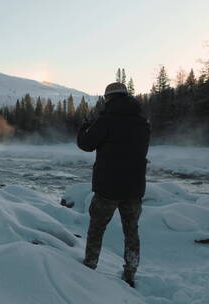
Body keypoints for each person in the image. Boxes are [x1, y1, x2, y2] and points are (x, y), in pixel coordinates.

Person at [77, 82, 150, 288]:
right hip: (134, 189)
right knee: (131, 231)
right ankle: (130, 272)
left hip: (107, 188)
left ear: (109, 99)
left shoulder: (106, 121)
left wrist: (85, 125)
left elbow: (85, 144)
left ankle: (90, 265)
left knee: (97, 228)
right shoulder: (142, 122)